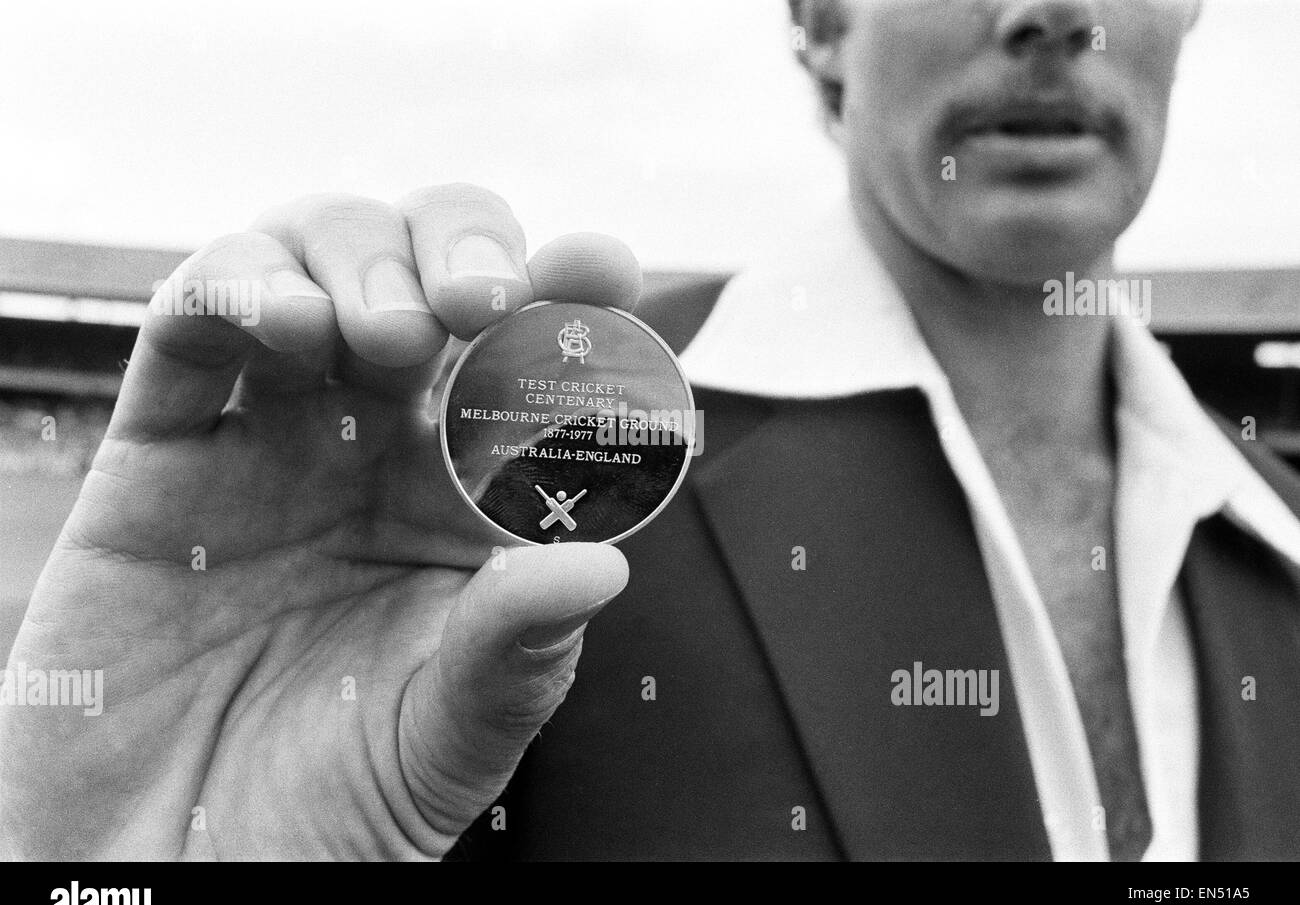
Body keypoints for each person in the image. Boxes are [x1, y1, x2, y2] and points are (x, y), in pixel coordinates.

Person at [3, 0, 1297, 861]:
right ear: (820, 23)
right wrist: (104, 880)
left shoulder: (1279, 541)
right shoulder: (502, 479)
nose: (1049, 11)